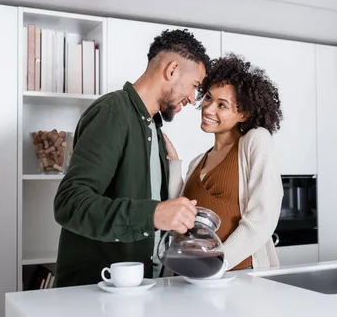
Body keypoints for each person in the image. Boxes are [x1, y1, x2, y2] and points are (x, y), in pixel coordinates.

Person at [52, 29, 210, 287]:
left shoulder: (153, 130)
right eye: (194, 86)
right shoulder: (112, 113)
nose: (193, 98)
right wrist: (153, 214)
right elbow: (69, 203)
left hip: (138, 288)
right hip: (96, 292)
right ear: (171, 70)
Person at [163, 53, 284, 273]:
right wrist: (173, 163)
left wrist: (217, 265)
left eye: (222, 105)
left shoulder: (255, 141)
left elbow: (262, 219)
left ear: (243, 114)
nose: (208, 109)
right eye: (208, 98)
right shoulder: (197, 162)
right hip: (195, 275)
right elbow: (179, 215)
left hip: (241, 277)